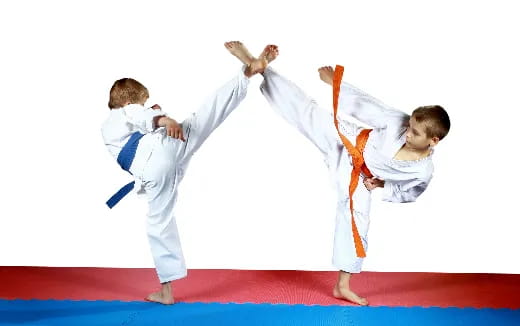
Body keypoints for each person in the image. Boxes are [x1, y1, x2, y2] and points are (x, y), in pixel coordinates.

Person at [231, 45, 449, 305]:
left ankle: (342, 286)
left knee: (357, 224)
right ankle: (263, 70)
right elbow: (370, 105)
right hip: (348, 140)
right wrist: (335, 83)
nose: (407, 132)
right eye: (410, 125)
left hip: (360, 176)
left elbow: (411, 192)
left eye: (414, 132)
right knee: (307, 111)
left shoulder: (423, 171)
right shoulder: (398, 121)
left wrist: (382, 184)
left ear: (433, 140)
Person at [101, 41, 275, 304]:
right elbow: (136, 114)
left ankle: (166, 291)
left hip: (154, 166)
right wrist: (161, 118)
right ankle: (245, 74)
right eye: (141, 101)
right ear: (126, 100)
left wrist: (158, 118)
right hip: (164, 148)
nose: (143, 105)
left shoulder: (111, 127)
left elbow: (139, 118)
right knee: (205, 115)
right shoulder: (123, 111)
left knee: (160, 223)